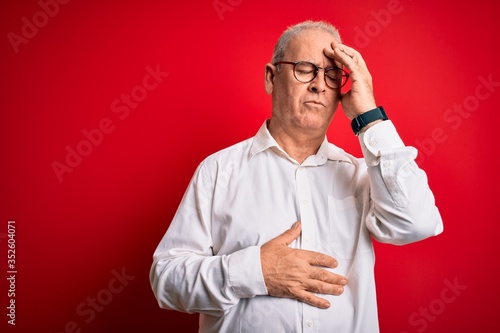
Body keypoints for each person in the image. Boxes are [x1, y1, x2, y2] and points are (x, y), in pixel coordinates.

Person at [149, 20, 443, 333]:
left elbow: (417, 223)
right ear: (271, 78)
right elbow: (166, 280)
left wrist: (369, 115)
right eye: (305, 68)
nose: (319, 84)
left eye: (332, 74)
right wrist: (256, 271)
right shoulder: (218, 171)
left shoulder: (362, 175)